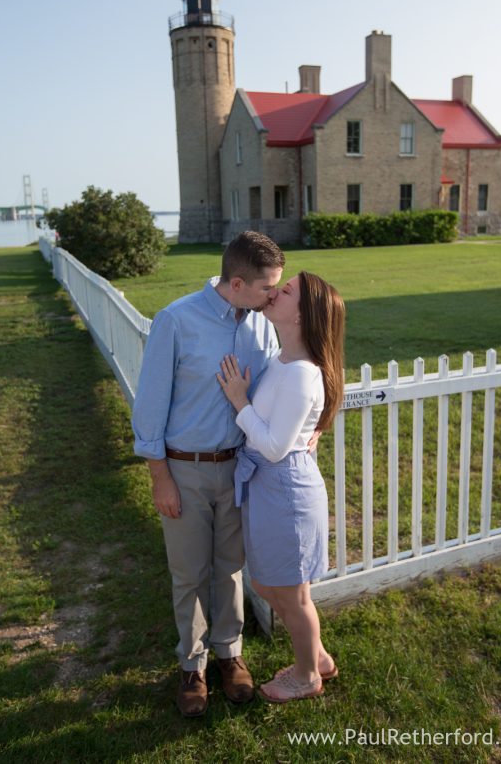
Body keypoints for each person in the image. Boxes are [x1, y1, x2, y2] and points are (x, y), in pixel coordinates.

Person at [131, 231, 285, 716]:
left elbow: (272, 394)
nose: (274, 296)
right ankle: (192, 665)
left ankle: (230, 654)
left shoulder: (261, 326)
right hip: (185, 470)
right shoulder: (175, 321)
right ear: (236, 283)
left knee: (230, 568)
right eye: (267, 288)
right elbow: (150, 408)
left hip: (238, 468)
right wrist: (161, 478)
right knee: (189, 572)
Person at [217, 270, 345, 703]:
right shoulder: (282, 360)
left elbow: (272, 446)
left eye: (284, 290)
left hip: (284, 489)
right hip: (270, 488)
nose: (273, 292)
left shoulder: (299, 373)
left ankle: (307, 675)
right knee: (278, 587)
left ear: (303, 314)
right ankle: (319, 657)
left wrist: (240, 400)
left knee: (289, 594)